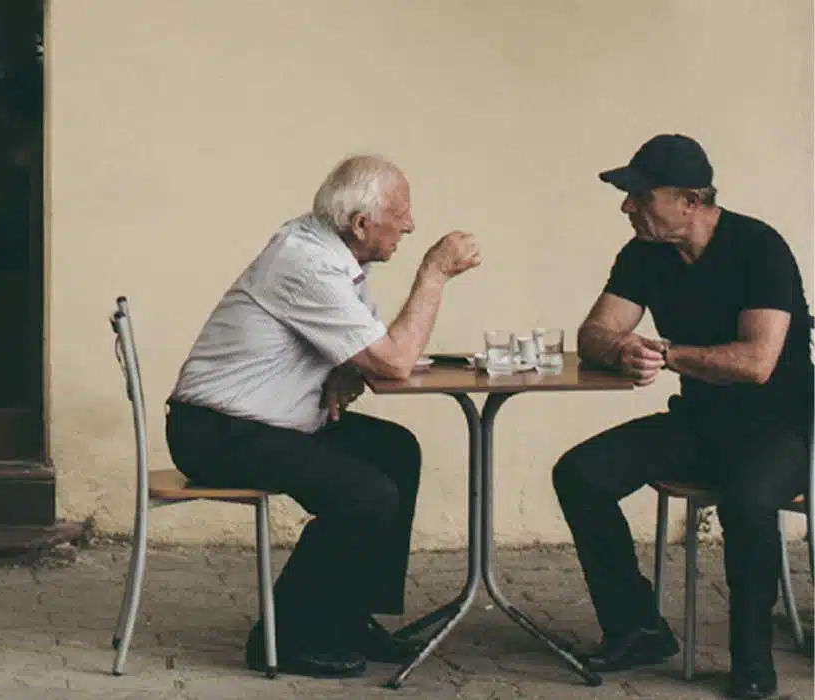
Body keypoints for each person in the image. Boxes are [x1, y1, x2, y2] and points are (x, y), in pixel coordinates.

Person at [165, 154, 481, 678]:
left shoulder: (331, 254)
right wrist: (434, 274)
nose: (410, 225)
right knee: (365, 494)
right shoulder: (308, 261)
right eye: (400, 213)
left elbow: (370, 350)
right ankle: (286, 638)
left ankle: (348, 615)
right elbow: (396, 360)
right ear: (361, 224)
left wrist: (348, 366)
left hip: (266, 422)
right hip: (217, 432)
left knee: (395, 451)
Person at [552, 134, 813, 700]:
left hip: (781, 424)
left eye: (640, 196)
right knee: (579, 473)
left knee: (748, 502)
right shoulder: (643, 253)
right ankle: (637, 628)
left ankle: (751, 663)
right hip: (700, 421)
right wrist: (619, 349)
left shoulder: (758, 247)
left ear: (691, 201)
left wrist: (667, 353)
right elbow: (594, 333)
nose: (627, 207)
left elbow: (758, 361)